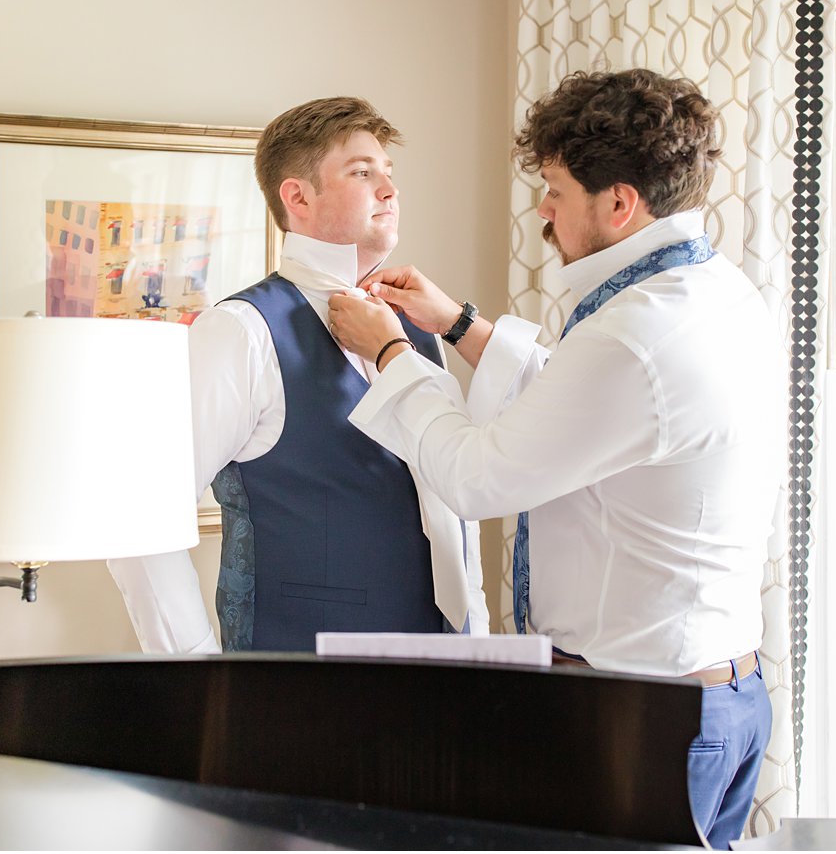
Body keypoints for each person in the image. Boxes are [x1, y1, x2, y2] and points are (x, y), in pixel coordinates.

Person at [326, 69, 784, 850]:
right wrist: (459, 323)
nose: (542, 208)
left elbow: (478, 477)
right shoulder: (714, 289)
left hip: (649, 719)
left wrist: (395, 353)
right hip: (721, 693)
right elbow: (586, 414)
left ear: (619, 204)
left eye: (557, 190)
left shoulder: (633, 336)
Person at [108, 96, 487, 654]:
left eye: (389, 173)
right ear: (297, 196)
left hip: (444, 676)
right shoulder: (240, 330)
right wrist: (195, 672)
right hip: (295, 690)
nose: (389, 189)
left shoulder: (419, 327)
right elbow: (142, 513)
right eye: (363, 172)